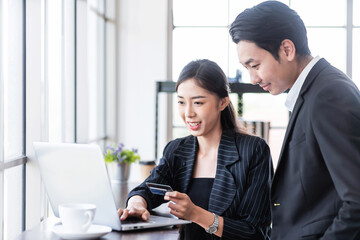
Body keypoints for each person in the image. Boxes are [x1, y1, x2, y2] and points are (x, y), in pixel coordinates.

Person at [229, 1, 360, 239]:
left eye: (255, 65)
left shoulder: (328, 95)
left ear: (287, 49)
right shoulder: (315, 91)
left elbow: (357, 202)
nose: (252, 78)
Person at [118, 59, 273, 240]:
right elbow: (148, 188)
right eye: (181, 102)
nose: (188, 113)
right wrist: (137, 203)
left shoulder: (253, 151)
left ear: (222, 102)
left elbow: (256, 233)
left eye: (198, 103)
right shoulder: (177, 150)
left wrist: (197, 214)